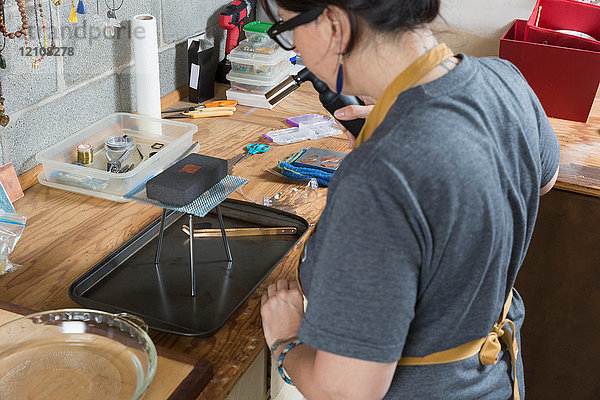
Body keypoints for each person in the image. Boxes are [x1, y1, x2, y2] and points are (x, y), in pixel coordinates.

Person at [259, 1, 560, 399]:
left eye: (286, 26)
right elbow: (543, 180)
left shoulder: (377, 176)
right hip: (497, 381)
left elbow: (347, 391)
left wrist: (286, 339)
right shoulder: (506, 80)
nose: (292, 44)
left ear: (335, 24)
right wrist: (401, 119)